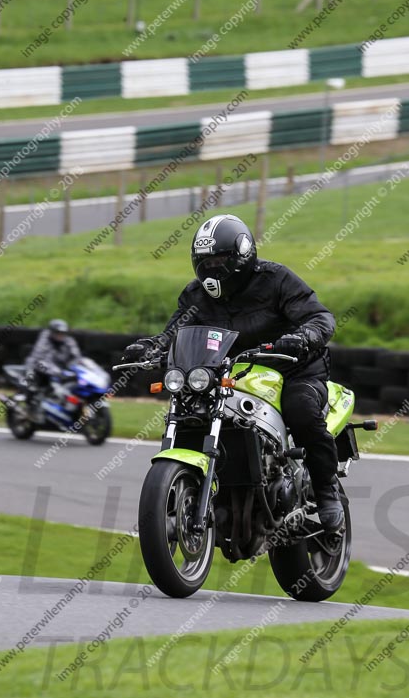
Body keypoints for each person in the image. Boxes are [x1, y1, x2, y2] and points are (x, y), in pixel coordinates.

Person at [126, 214, 344, 534]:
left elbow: (320, 317)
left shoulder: (276, 279)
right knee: (191, 408)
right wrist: (152, 347)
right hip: (229, 371)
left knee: (301, 410)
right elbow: (175, 331)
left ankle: (326, 493)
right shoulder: (195, 295)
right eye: (205, 262)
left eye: (218, 260)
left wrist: (303, 337)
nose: (211, 269)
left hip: (292, 367)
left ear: (242, 256)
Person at [25, 319, 81, 409]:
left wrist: (73, 367)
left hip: (60, 370)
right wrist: (55, 371)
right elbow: (40, 357)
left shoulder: (69, 341)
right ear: (51, 332)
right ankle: (31, 403)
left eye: (62, 333)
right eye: (58, 333)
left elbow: (76, 356)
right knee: (33, 381)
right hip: (39, 366)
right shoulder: (44, 340)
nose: (60, 335)